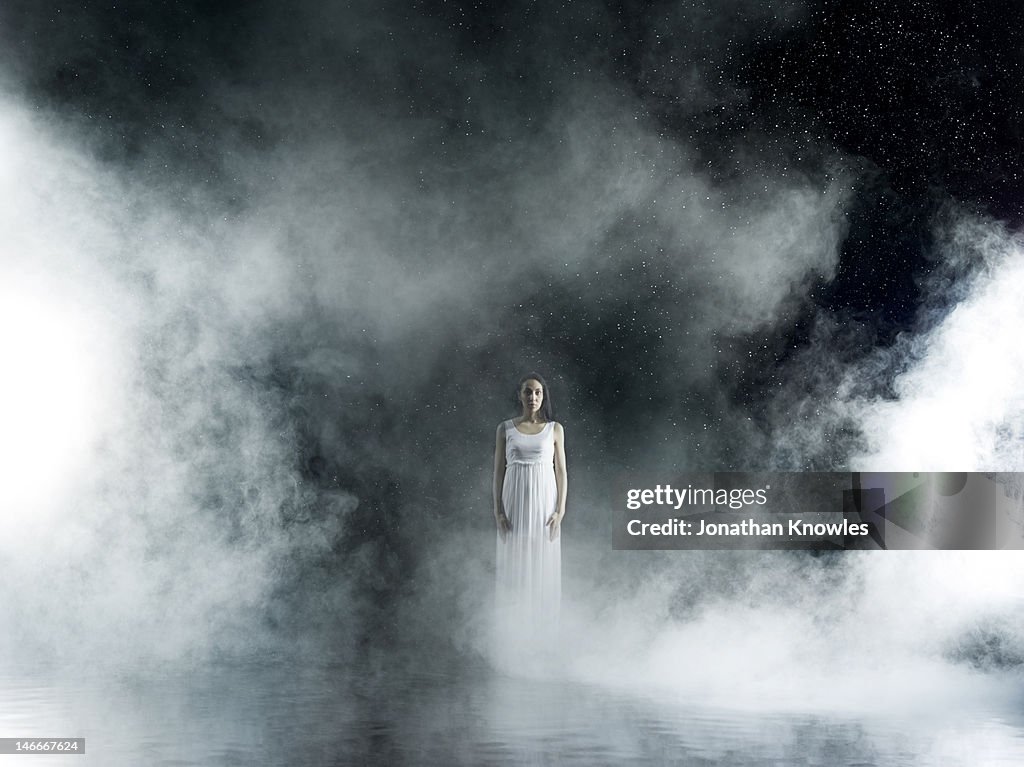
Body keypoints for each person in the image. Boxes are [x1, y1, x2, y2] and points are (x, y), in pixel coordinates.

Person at [493, 373, 567, 637]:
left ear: (543, 396)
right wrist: (499, 511)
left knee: (542, 561)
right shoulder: (505, 428)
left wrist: (560, 511)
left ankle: (543, 634)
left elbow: (561, 471)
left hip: (544, 503)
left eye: (537, 392)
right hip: (514, 500)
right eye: (528, 392)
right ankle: (513, 631)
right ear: (520, 395)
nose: (532, 397)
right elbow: (498, 472)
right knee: (515, 559)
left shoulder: (554, 429)